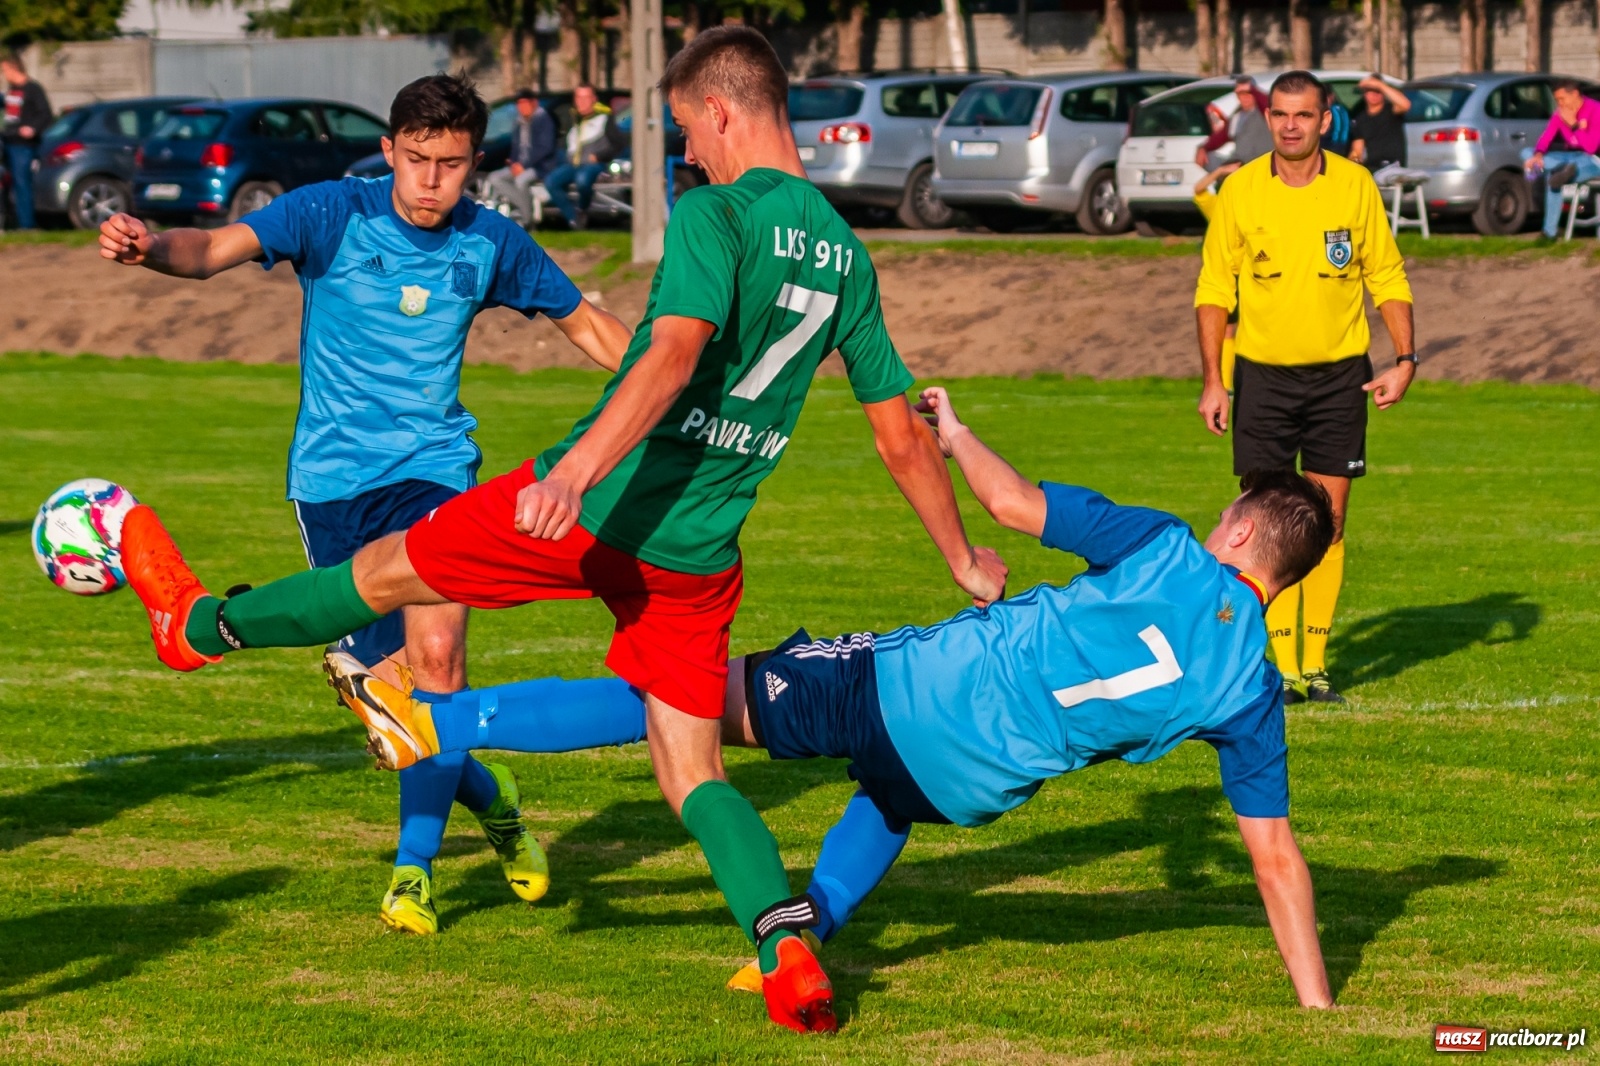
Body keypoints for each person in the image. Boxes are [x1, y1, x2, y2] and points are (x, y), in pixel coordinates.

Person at [110, 27, 1007, 1034]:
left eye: (684, 130)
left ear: (719, 109)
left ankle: (195, 627)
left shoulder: (716, 213)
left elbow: (666, 355)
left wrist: (577, 472)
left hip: (597, 510)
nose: (690, 156)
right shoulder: (844, 251)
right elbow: (898, 436)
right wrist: (964, 558)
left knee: (384, 572)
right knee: (692, 771)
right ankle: (782, 943)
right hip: (700, 552)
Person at [313, 385, 1341, 1013]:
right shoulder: (1250, 690)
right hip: (980, 784)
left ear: (1243, 532)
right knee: (888, 800)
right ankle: (799, 930)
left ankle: (435, 720)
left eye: (1226, 515)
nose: (1215, 524)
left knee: (677, 697)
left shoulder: (1166, 546)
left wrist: (954, 430)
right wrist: (1316, 1006)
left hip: (910, 690)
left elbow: (1012, 505)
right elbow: (1274, 857)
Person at [97, 73, 633, 935]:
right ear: (387, 152)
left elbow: (593, 329)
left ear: (476, 164)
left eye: (450, 165)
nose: (430, 183)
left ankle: (412, 875)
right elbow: (211, 251)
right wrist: (149, 244)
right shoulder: (328, 214)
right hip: (333, 487)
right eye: (416, 160)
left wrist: (680, 381)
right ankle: (494, 802)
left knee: (437, 666)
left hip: (436, 478)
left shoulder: (493, 242)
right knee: (398, 709)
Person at [1195, 70, 1417, 706]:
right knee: (1263, 526)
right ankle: (1266, 667)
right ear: (1269, 120)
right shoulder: (1241, 191)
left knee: (1332, 522)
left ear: (1326, 120)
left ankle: (1311, 669)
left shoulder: (1355, 187)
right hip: (1261, 377)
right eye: (1280, 114)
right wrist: (1215, 380)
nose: (1291, 125)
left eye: (1304, 114)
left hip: (1339, 376)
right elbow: (1214, 290)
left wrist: (1405, 357)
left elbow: (1388, 275)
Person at [1522, 79, 1600, 241]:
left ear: (1575, 95)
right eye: (1557, 100)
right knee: (1526, 152)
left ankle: (1549, 233)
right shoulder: (1560, 113)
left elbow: (1591, 147)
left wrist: (1573, 124)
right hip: (1565, 158)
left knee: (1556, 178)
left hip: (1591, 159)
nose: (1559, 103)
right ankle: (1557, 167)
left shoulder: (1595, 110)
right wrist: (1538, 155)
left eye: (1562, 99)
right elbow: (1546, 137)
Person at [544, 83, 626, 229]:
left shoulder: (604, 119)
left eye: (586, 98)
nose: (582, 102)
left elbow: (618, 144)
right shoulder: (573, 119)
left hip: (594, 165)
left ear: (594, 99)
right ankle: (574, 218)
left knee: (582, 180)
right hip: (572, 165)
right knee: (551, 181)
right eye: (579, 98)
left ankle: (582, 210)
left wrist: (599, 156)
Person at [1193, 161, 1242, 391]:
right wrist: (1220, 171)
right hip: (1227, 277)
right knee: (1228, 328)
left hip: (1251, 275)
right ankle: (1225, 382)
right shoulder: (1217, 206)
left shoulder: (1251, 206)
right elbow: (1198, 190)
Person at [486, 88, 562, 227]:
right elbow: (516, 148)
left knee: (521, 180)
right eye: (519, 104)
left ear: (534, 103)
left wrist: (523, 166)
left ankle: (527, 220)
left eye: (525, 103)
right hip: (520, 165)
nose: (522, 107)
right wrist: (514, 163)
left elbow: (545, 148)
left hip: (541, 166)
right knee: (494, 178)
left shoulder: (544, 120)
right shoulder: (519, 123)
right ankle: (522, 208)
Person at [1, 52, 53, 230]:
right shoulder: (11, 90)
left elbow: (46, 114)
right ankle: (11, 222)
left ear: (14, 68)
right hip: (7, 142)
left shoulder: (33, 89)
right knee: (9, 184)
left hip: (23, 147)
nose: (4, 74)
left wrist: (32, 128)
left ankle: (27, 225)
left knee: (23, 184)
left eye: (5, 70)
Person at [1196, 76, 1271, 169]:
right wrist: (1204, 147)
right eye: (1240, 93)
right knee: (1210, 159)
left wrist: (1252, 89)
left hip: (1263, 166)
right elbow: (1222, 135)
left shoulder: (1264, 112)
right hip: (1240, 165)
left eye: (1248, 93)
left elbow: (1269, 104)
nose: (1244, 97)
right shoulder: (1237, 116)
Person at [1348, 74, 1410, 173]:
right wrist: (1353, 162)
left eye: (1378, 91)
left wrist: (1380, 85)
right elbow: (1357, 150)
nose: (1374, 94)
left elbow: (1405, 105)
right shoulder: (1360, 117)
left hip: (1393, 165)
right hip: (1372, 166)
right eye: (1370, 90)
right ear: (1365, 93)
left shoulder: (1391, 110)